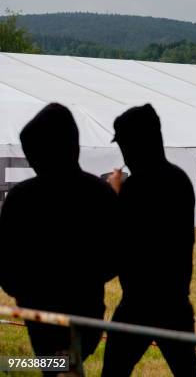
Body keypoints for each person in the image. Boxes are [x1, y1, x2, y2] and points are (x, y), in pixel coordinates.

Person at [0, 103, 118, 375]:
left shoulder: (22, 198)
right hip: (85, 308)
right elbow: (118, 255)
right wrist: (86, 278)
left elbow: (4, 259)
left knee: (53, 365)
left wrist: (22, 290)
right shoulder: (99, 194)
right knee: (61, 365)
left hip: (37, 309)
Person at [102, 104, 196, 377]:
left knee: (113, 372)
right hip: (175, 301)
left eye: (124, 144)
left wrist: (114, 197)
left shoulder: (134, 189)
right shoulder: (178, 180)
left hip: (138, 303)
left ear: (135, 144)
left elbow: (119, 244)